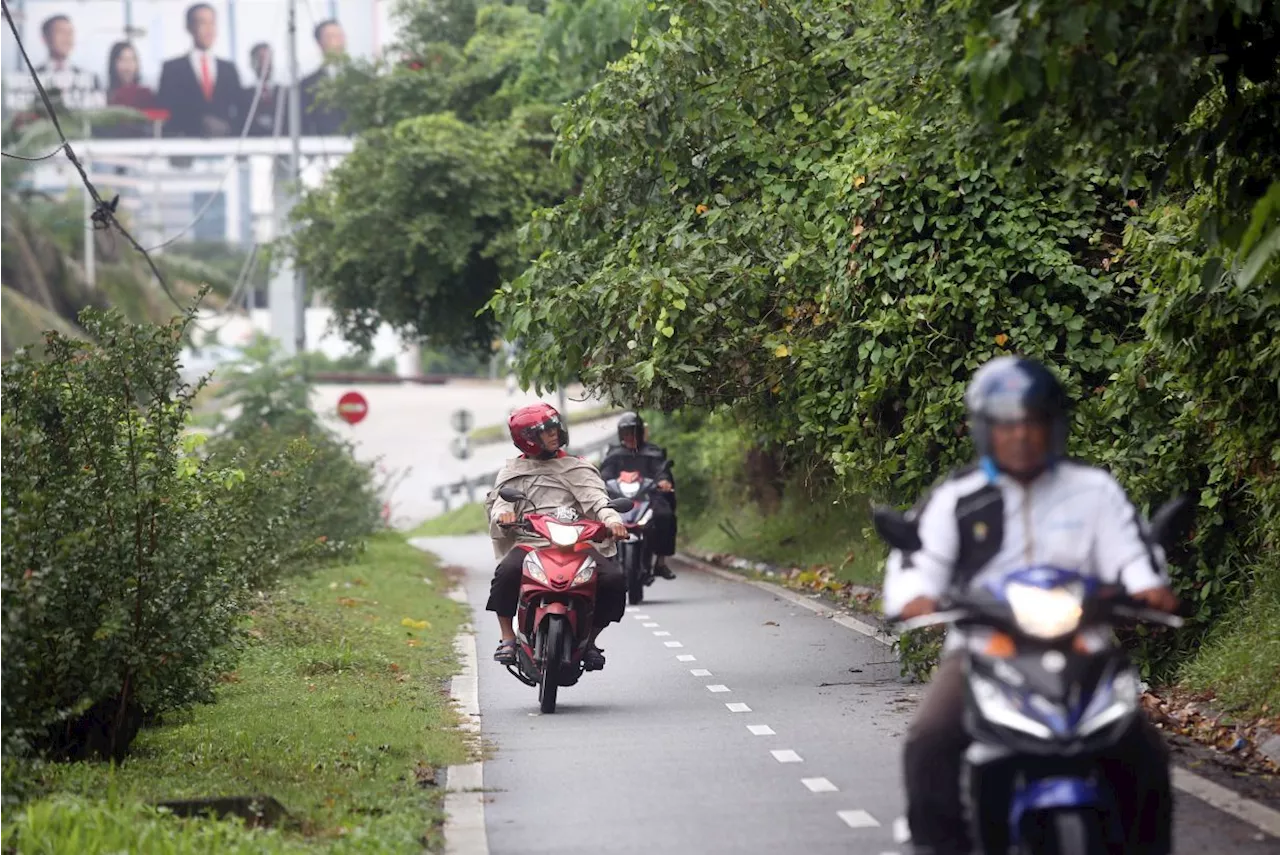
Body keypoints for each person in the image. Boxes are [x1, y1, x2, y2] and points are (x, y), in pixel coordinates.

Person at [882, 355, 1178, 855]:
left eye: (1033, 422)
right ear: (984, 431)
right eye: (1007, 425)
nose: (1021, 436)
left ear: (1054, 425)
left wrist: (1149, 588)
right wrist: (916, 600)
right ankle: (939, 846)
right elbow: (918, 568)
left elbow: (1133, 557)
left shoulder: (1094, 492)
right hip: (983, 649)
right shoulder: (957, 497)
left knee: (1146, 752)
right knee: (929, 738)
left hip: (1085, 646)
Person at [485, 403, 629, 671]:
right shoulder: (512, 471)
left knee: (614, 579)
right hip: (531, 542)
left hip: (577, 542)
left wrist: (612, 521)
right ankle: (507, 637)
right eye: (546, 431)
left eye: (554, 428)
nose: (554, 434)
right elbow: (501, 502)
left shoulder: (577, 467)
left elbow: (598, 500)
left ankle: (591, 640)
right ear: (527, 439)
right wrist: (503, 516)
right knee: (506, 572)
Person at [599, 412, 678, 579]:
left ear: (641, 433)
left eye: (633, 432)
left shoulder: (652, 452)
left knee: (665, 515)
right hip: (620, 499)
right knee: (601, 517)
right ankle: (605, 562)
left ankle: (660, 562)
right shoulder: (614, 454)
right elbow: (605, 474)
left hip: (648, 498)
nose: (630, 437)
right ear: (621, 435)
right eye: (626, 433)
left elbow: (661, 472)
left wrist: (664, 482)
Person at [156, 3, 244, 137]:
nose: (209, 29)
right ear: (189, 27)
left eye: (212, 23)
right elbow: (167, 110)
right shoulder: (172, 69)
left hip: (225, 143)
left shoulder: (228, 69)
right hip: (186, 143)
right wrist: (199, 123)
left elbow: (239, 109)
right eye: (202, 23)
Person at [33, 15, 102, 109]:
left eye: (70, 33)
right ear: (45, 38)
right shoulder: (31, 78)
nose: (67, 38)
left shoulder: (91, 79)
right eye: (61, 32)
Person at [300, 19, 349, 135]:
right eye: (331, 37)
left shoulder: (362, 80)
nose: (338, 42)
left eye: (341, 36)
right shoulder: (307, 85)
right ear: (320, 43)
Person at [243, 43, 288, 137]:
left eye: (268, 59)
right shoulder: (242, 94)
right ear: (252, 62)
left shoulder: (284, 93)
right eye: (261, 58)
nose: (265, 64)